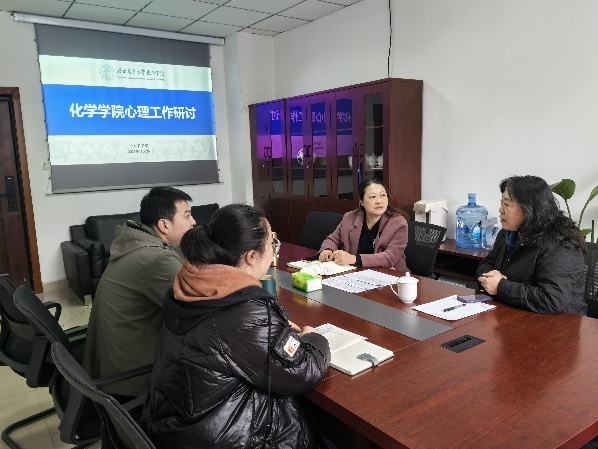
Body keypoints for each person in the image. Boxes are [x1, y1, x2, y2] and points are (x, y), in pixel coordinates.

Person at [140, 204, 331, 449]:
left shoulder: (190, 282)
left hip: (176, 424)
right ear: (251, 257)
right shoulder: (245, 312)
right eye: (272, 244)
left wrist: (272, 329)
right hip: (220, 437)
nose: (274, 249)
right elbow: (301, 370)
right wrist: (313, 338)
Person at [82, 186, 196, 397]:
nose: (193, 222)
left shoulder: (138, 245)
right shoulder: (156, 259)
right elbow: (199, 308)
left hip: (109, 365)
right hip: (130, 380)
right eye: (187, 215)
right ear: (164, 225)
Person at [477, 175, 587, 315]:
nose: (500, 209)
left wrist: (501, 286)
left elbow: (552, 299)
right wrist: (489, 278)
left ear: (528, 209)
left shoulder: (560, 242)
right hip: (516, 312)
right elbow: (488, 262)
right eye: (501, 203)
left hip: (560, 322)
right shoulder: (507, 233)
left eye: (507, 204)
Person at [319, 178, 409, 271]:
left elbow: (389, 257)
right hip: (356, 272)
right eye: (372, 197)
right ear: (361, 201)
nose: (379, 201)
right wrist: (327, 249)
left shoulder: (398, 223)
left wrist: (354, 259)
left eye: (383, 195)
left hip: (390, 274)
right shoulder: (350, 218)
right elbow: (333, 240)